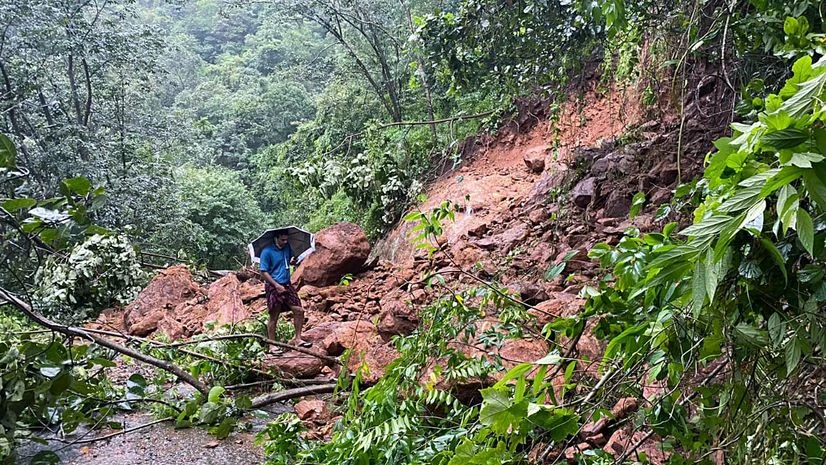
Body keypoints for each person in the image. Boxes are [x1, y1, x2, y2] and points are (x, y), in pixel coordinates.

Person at [259, 230, 311, 350]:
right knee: (274, 315)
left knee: (299, 310)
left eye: (286, 239)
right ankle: (272, 345)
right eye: (282, 240)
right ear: (276, 238)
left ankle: (298, 339)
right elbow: (263, 272)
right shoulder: (267, 252)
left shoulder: (286, 248)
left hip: (287, 284)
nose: (285, 242)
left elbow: (287, 261)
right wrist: (276, 285)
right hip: (273, 286)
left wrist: (292, 261)